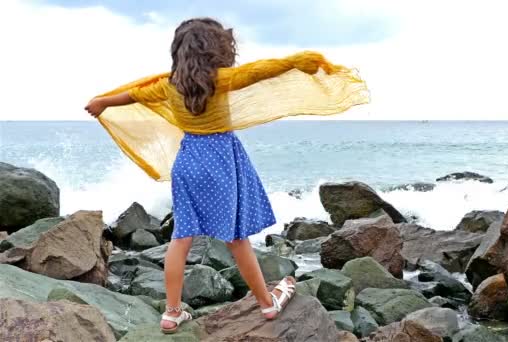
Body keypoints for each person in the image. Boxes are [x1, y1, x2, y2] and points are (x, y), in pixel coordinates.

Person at [85, 17, 369, 334]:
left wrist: (101, 103)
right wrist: (300, 62)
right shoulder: (221, 80)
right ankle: (267, 303)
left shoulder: (169, 85)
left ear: (179, 52)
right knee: (236, 239)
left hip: (187, 163)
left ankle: (171, 313)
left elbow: (133, 95)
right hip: (219, 162)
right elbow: (262, 70)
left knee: (180, 239)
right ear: (214, 50)